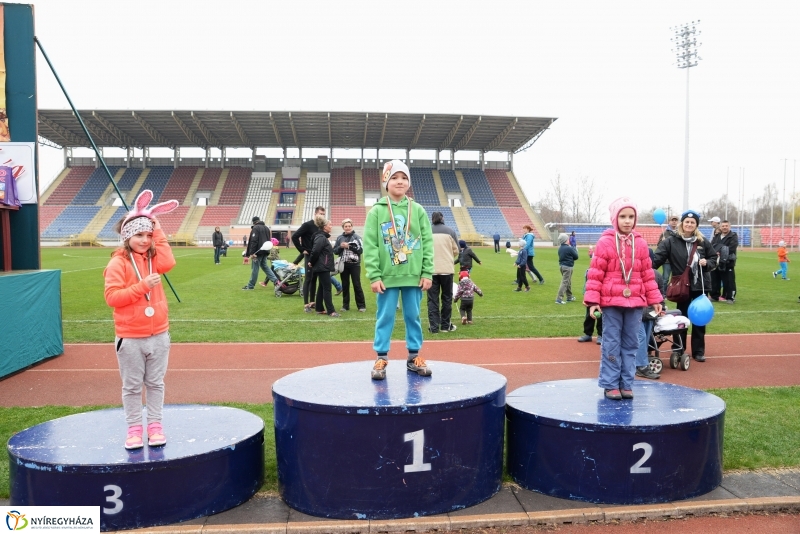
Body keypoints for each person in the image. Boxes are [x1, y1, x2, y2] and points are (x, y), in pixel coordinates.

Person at [103, 189, 178, 449]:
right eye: (139, 234)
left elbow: (169, 262)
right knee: (133, 386)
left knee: (156, 384)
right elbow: (112, 297)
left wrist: (155, 225)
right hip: (131, 337)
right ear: (126, 236)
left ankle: (155, 425)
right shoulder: (118, 264)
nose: (145, 240)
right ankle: (134, 429)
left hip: (159, 333)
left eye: (148, 235)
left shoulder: (153, 258)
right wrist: (142, 287)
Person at [585, 197, 662, 401]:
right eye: (622, 216)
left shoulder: (641, 244)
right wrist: (593, 302)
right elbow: (595, 274)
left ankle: (626, 383)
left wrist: (656, 299)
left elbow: (648, 274)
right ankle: (610, 384)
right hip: (611, 304)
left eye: (631, 216)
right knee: (611, 343)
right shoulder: (605, 242)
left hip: (635, 302)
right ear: (614, 218)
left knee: (631, 344)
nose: (627, 221)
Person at [364, 160, 433, 380]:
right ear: (386, 182)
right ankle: (381, 357)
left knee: (413, 316)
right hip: (387, 277)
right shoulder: (376, 211)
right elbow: (371, 244)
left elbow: (428, 243)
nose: (399, 182)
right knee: (385, 317)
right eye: (394, 177)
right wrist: (374, 275)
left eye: (403, 178)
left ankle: (414, 357)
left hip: (413, 276)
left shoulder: (418, 210)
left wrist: (427, 272)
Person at [652, 209, 717, 363]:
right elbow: (657, 259)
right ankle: (678, 349)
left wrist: (707, 263)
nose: (689, 224)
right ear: (682, 223)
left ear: (696, 225)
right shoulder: (671, 241)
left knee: (699, 320)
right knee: (681, 320)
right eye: (687, 222)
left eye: (692, 222)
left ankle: (698, 351)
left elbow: (713, 257)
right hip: (682, 287)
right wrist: (646, 268)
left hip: (700, 286)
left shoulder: (702, 242)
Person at [635, 249, 665, 380]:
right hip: (635, 312)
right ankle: (641, 366)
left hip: (650, 313)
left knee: (645, 338)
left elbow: (661, 294)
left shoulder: (656, 275)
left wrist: (661, 308)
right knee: (640, 337)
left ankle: (641, 359)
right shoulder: (633, 274)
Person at [428, 211, 460, 333]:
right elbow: (456, 250)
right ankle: (446, 326)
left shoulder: (427, 231)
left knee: (432, 299)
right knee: (447, 298)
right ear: (442, 218)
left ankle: (434, 327)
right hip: (447, 269)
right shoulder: (450, 231)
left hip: (431, 270)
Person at [292, 206, 327, 310]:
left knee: (315, 279)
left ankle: (312, 302)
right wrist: (302, 250)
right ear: (315, 214)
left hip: (318, 256)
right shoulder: (307, 225)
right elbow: (295, 236)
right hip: (309, 255)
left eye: (323, 214)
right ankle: (306, 304)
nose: (322, 216)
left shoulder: (321, 227)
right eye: (320, 214)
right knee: (308, 279)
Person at [308, 216, 340, 317]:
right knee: (327, 288)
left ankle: (319, 309)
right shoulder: (321, 237)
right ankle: (331, 311)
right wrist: (311, 261)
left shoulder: (321, 237)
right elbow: (315, 251)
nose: (331, 226)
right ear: (325, 227)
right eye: (330, 225)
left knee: (322, 287)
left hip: (322, 265)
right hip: (323, 266)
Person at [334, 218, 366, 312]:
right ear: (343, 227)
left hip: (355, 265)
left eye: (349, 226)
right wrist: (341, 247)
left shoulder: (357, 237)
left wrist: (349, 246)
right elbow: (335, 251)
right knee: (345, 285)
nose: (347, 228)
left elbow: (361, 250)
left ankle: (361, 306)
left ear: (352, 226)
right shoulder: (340, 238)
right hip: (343, 265)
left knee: (357, 285)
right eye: (345, 226)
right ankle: (345, 306)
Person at [242, 216, 278, 290]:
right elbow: (268, 241)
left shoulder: (255, 228)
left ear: (254, 222)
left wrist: (252, 253)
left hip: (257, 252)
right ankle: (276, 281)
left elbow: (254, 241)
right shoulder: (267, 228)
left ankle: (250, 285)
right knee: (265, 266)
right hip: (265, 251)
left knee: (255, 268)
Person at [577, 246, 602, 345]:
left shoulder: (603, 271)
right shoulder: (589, 271)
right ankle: (588, 334)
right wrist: (586, 297)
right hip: (591, 297)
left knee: (601, 316)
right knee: (589, 316)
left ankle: (601, 335)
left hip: (602, 298)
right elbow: (586, 285)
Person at [711, 220, 738, 302]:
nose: (724, 227)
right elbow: (712, 246)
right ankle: (714, 296)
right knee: (715, 279)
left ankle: (730, 297)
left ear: (729, 227)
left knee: (729, 281)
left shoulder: (733, 236)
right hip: (716, 261)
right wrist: (720, 249)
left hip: (728, 262)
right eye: (723, 226)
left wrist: (719, 249)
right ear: (720, 227)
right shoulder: (716, 236)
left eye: (726, 226)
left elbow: (731, 248)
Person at [555, 233, 579, 304]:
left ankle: (569, 297)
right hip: (568, 267)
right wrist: (574, 250)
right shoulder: (569, 248)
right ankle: (559, 298)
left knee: (568, 282)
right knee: (565, 282)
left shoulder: (560, 248)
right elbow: (576, 257)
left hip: (562, 266)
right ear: (566, 240)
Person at [657, 215, 679, 281]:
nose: (674, 222)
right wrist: (662, 242)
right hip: (667, 260)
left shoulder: (680, 233)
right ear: (669, 222)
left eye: (675, 220)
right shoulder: (664, 233)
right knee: (665, 279)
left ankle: (673, 291)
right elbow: (659, 245)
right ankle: (663, 291)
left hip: (677, 260)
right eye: (672, 220)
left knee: (677, 278)